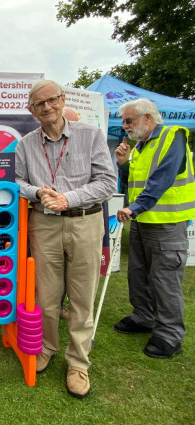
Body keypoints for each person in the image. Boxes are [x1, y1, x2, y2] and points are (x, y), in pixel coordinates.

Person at [15, 80, 116, 398]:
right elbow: (16, 181)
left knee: (82, 298)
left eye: (52, 100)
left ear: (62, 100)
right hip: (43, 225)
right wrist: (36, 191)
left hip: (84, 222)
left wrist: (68, 199)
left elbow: (107, 182)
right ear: (31, 111)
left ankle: (78, 363)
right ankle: (46, 348)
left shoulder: (90, 135)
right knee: (46, 296)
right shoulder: (25, 145)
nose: (47, 107)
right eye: (39, 104)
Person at [114, 98, 193, 359]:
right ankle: (143, 317)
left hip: (167, 224)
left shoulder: (173, 136)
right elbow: (132, 183)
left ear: (148, 118)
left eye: (129, 120)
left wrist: (135, 208)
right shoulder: (140, 147)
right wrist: (124, 164)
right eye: (124, 121)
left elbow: (162, 179)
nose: (125, 126)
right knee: (138, 274)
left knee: (164, 279)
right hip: (141, 222)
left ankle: (169, 335)